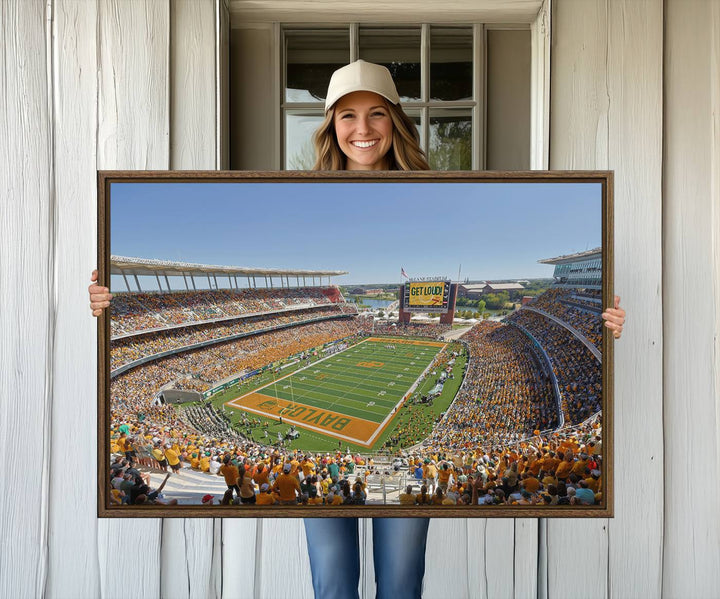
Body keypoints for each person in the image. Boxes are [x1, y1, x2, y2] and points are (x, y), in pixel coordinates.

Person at [88, 59, 626, 599]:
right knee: (333, 580)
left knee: (400, 581)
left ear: (396, 121)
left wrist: (603, 319)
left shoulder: (440, 188)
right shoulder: (302, 190)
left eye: (375, 114)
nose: (362, 129)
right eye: (347, 116)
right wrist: (108, 301)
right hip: (328, 488)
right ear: (330, 126)